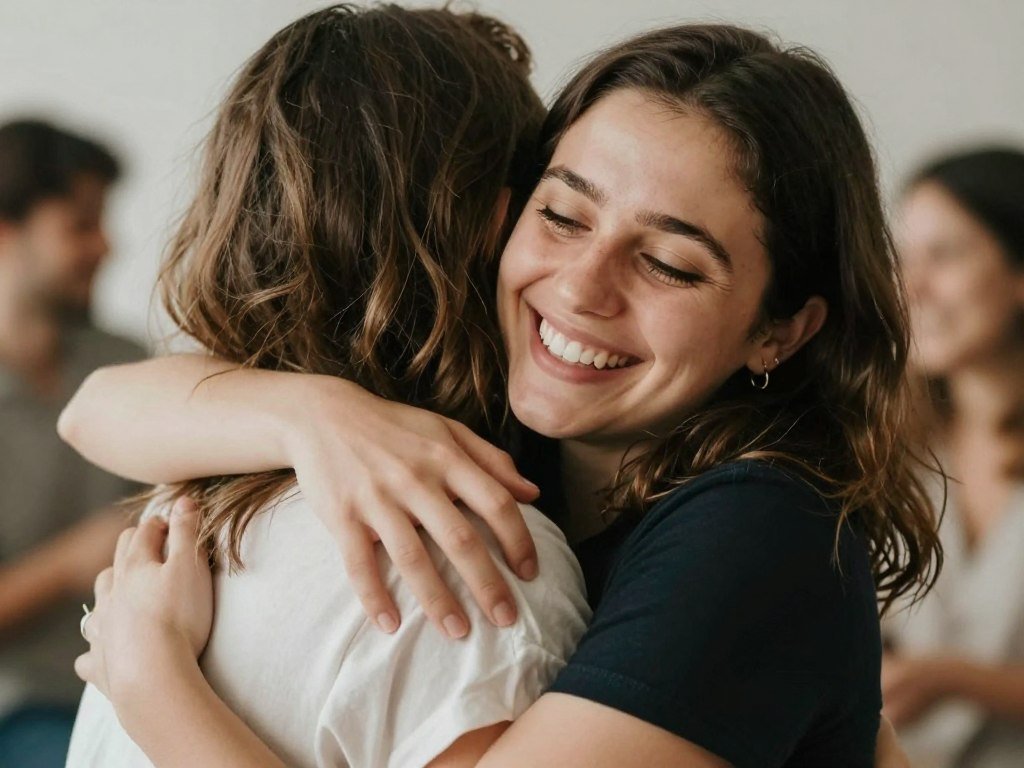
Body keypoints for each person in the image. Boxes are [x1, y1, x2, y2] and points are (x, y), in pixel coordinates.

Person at [61, 20, 938, 767]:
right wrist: (314, 414)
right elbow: (95, 407)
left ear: (779, 330)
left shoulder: (758, 529)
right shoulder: (512, 443)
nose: (583, 287)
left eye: (669, 263)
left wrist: (157, 686)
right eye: (562, 216)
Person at [63, 6, 590, 768]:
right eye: (562, 213)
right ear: (496, 223)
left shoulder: (194, 495)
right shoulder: (477, 562)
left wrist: (157, 684)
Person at [0, 119, 144, 768]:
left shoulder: (126, 363)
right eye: (81, 225)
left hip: (144, 679)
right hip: (28, 705)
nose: (107, 246)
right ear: (7, 232)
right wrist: (71, 561)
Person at [883, 147, 1024, 768]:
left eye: (945, 255)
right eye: (904, 259)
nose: (911, 287)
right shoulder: (897, 446)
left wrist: (956, 680)